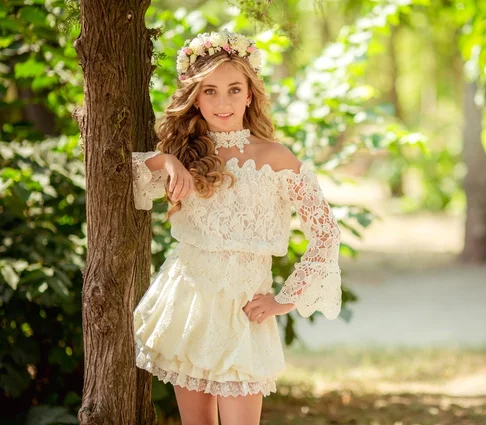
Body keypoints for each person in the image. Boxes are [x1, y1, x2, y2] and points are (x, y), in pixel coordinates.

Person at [131, 29, 342, 425]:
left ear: (249, 94)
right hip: (188, 303)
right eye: (209, 91)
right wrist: (166, 162)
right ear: (195, 96)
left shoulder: (277, 158)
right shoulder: (185, 151)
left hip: (245, 312)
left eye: (233, 89)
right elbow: (120, 175)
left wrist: (286, 300)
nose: (222, 101)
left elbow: (326, 233)